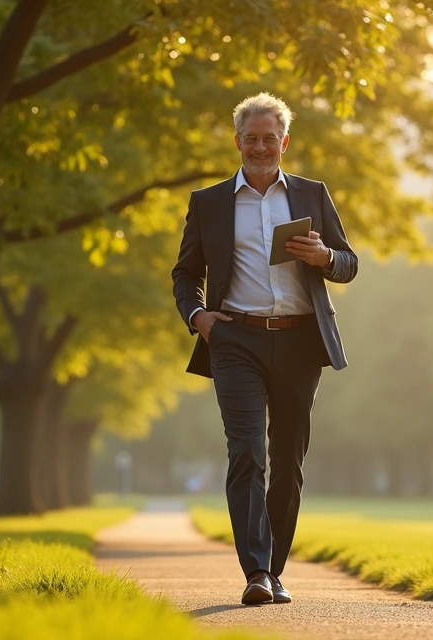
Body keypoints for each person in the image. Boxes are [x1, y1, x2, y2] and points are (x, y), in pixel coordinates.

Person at [171, 93, 357, 605]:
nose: (260, 147)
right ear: (237, 142)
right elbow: (185, 274)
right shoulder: (209, 202)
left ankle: (274, 571)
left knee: (288, 458)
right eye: (251, 138)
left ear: (284, 142)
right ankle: (255, 571)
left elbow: (349, 263)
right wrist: (198, 317)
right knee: (247, 452)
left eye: (269, 138)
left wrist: (324, 256)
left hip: (301, 340)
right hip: (235, 340)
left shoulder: (312, 194)